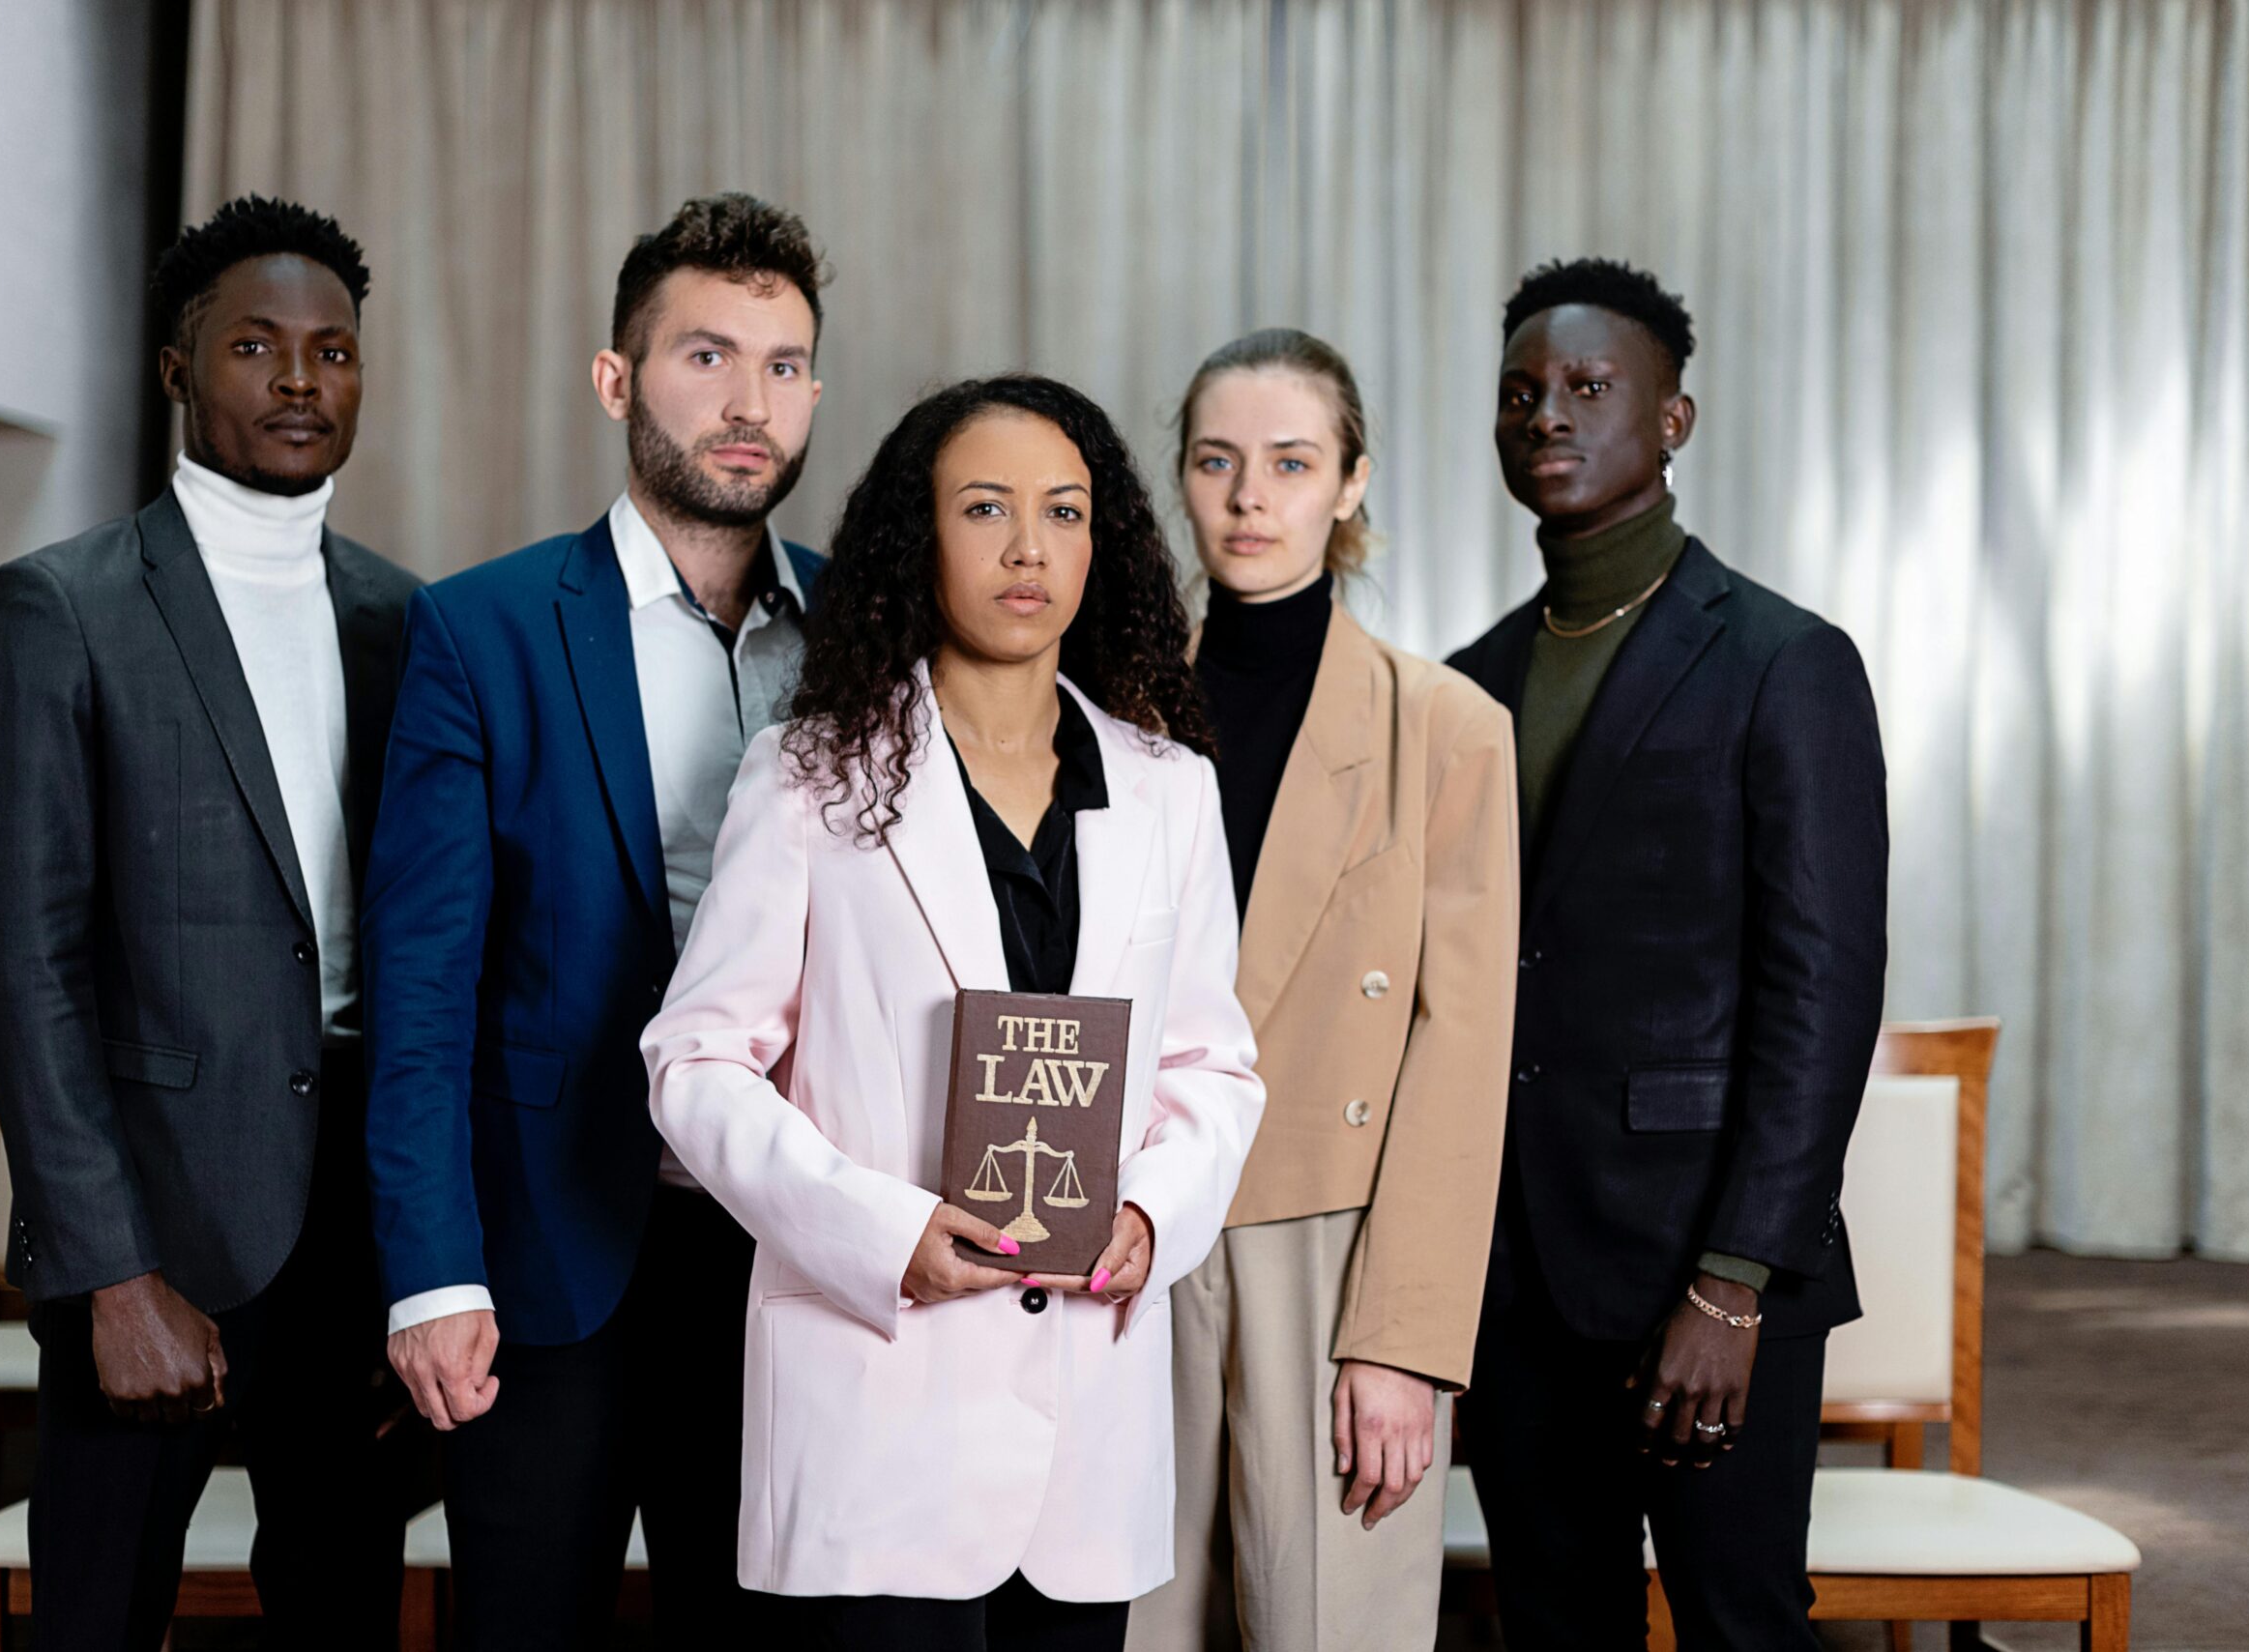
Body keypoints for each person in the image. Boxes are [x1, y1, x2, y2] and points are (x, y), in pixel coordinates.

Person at [640, 374, 1266, 1651]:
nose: (1030, 546)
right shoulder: (809, 777)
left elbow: (1216, 1065)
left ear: (1106, 542)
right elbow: (695, 1061)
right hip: (879, 1415)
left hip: (1086, 1436)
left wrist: (1153, 1209)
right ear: (917, 540)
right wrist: (883, 1230)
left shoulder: (1171, 792)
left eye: (1065, 511)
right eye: (986, 508)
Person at [362, 193, 829, 1648]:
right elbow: (422, 987)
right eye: (707, 356)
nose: (750, 403)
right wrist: (431, 1273)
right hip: (548, 1253)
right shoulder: (480, 629)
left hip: (788, 1251)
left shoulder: (864, 635)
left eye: (787, 363)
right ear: (616, 380)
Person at [0, 195, 419, 1648]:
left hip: (358, 1223)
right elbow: (23, 966)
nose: (299, 380)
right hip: (151, 1229)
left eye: (333, 351)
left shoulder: (408, 620)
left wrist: (429, 1254)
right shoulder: (61, 608)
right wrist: (107, 1269)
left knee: (342, 1613)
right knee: (98, 1621)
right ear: (177, 366)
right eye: (257, 345)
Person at [1446, 258, 1888, 1649]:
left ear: (1674, 419)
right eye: (1522, 393)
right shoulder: (1468, 685)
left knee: (1740, 1621)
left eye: (1588, 387)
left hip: (1703, 1275)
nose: (1548, 416)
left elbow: (1821, 991)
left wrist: (1735, 1281)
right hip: (1517, 1273)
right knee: (1555, 1622)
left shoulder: (1782, 661)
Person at [1126, 330, 1518, 1652]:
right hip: (1127, 1218)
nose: (1251, 497)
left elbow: (1459, 1058)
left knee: (1326, 1629)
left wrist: (1404, 1340)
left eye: (1291, 463)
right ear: (1180, 479)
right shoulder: (1107, 706)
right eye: (1218, 460)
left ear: (1350, 484)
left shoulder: (1447, 726)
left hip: (1335, 1233)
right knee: (1119, 1622)